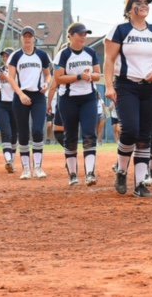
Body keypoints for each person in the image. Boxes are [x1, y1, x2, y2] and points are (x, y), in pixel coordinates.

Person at [105, 0, 152, 198]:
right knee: (130, 130)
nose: (144, 6)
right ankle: (121, 171)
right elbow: (109, 60)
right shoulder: (120, 30)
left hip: (150, 87)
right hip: (126, 85)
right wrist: (109, 86)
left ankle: (140, 184)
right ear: (129, 9)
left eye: (146, 3)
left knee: (145, 135)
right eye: (139, 3)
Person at [54, 22, 101, 186]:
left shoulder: (91, 52)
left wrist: (91, 76)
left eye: (85, 34)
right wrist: (79, 76)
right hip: (68, 99)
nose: (83, 37)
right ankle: (73, 175)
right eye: (80, 34)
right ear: (71, 36)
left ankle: (90, 173)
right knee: (71, 136)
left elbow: (98, 74)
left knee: (89, 134)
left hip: (88, 98)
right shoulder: (63, 54)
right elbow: (59, 78)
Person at [6, 26, 52, 180]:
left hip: (38, 96)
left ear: (34, 39)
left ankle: (38, 167)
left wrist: (46, 84)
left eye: (29, 36)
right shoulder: (15, 56)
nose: (27, 39)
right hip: (21, 96)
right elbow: (11, 78)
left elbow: (48, 75)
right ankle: (26, 169)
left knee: (38, 130)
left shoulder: (42, 55)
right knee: (23, 132)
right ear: (21, 38)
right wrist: (20, 94)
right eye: (25, 36)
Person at [0, 48, 18, 173]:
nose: (5, 58)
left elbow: (20, 86)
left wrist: (8, 78)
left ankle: (12, 161)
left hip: (15, 104)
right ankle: (8, 160)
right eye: (4, 56)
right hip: (1, 105)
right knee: (6, 132)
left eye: (7, 56)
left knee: (14, 133)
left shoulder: (19, 71)